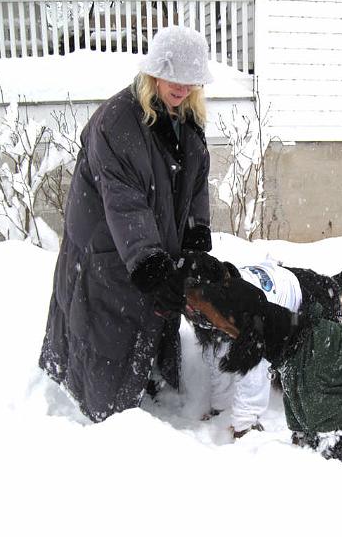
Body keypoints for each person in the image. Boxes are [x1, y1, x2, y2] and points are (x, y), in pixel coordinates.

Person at [39, 26, 214, 422]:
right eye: (174, 76)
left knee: (151, 319)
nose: (182, 87)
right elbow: (126, 202)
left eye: (191, 79)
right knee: (105, 335)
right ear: (153, 70)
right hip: (107, 250)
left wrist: (195, 235)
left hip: (144, 245)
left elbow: (195, 181)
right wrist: (151, 265)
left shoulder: (186, 119)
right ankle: (106, 421)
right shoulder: (118, 122)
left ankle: (151, 387)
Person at [204, 260, 303, 438]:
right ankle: (223, 409)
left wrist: (244, 422)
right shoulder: (222, 309)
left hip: (294, 289)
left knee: (257, 357)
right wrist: (219, 407)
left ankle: (247, 425)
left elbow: (255, 365)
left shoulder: (245, 312)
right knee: (222, 348)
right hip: (270, 284)